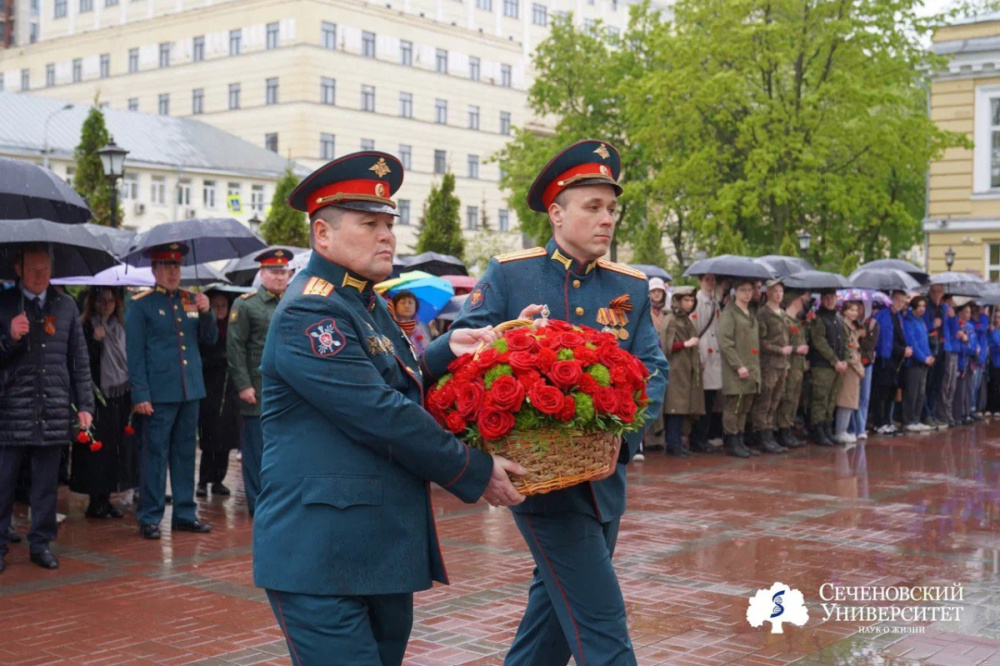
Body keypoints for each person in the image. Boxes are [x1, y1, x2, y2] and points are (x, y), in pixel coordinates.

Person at [253, 151, 526, 665]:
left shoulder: (365, 301)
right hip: (321, 555)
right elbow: (377, 411)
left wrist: (448, 350)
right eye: (369, 223)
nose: (386, 236)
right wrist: (474, 469)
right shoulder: (311, 309)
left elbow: (396, 381)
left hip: (377, 547)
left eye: (388, 224)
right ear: (322, 235)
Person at [423, 139, 668, 666]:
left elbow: (654, 369)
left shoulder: (631, 286)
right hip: (541, 481)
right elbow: (462, 355)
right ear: (557, 214)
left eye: (612, 209)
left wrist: (618, 436)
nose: (607, 220)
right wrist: (510, 338)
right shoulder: (512, 274)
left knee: (553, 619)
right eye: (593, 207)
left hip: (606, 477)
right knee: (601, 620)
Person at [0, 244, 94, 572]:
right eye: (32, 270)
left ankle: (40, 543)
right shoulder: (5, 304)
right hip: (11, 408)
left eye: (45, 269)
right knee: (4, 481)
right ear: (18, 269)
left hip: (52, 407)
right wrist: (9, 337)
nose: (40, 276)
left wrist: (84, 405)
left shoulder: (65, 305)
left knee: (45, 485)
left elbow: (79, 361)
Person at [126, 243, 218, 540]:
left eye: (176, 266)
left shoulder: (191, 300)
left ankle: (185, 513)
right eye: (166, 266)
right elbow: (135, 353)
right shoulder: (141, 304)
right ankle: (150, 516)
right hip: (158, 393)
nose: (172, 272)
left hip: (189, 390)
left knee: (184, 454)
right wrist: (140, 393)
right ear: (154, 270)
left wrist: (207, 314)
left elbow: (210, 340)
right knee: (154, 456)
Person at [227, 247, 292, 517]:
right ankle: (258, 503)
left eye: (284, 272)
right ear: (262, 274)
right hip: (257, 389)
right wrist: (243, 385)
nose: (279, 278)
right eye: (274, 272)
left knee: (283, 449)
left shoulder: (293, 301)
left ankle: (279, 500)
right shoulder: (246, 304)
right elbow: (235, 347)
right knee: (255, 451)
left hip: (287, 390)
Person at [71, 287, 137, 519]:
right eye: (102, 300)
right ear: (93, 302)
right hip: (95, 399)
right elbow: (80, 362)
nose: (107, 304)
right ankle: (94, 501)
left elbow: (126, 361)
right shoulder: (85, 326)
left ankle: (107, 499)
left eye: (111, 300)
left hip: (118, 397)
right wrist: (95, 341)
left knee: (113, 451)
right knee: (94, 452)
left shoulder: (119, 328)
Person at [196, 289, 240, 498]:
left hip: (228, 388)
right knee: (211, 435)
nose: (220, 310)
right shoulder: (205, 327)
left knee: (226, 436)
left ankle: (219, 480)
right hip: (209, 388)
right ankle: (204, 480)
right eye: (216, 306)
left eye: (223, 305)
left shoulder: (233, 327)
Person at [718, 278, 760, 459]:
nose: (747, 294)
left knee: (745, 406)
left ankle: (740, 438)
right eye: (743, 290)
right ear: (735, 292)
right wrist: (738, 365)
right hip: (737, 369)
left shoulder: (750, 313)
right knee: (733, 406)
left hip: (751, 367)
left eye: (749, 290)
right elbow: (725, 342)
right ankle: (732, 439)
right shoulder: (730, 313)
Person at [660, 286, 703, 457]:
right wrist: (686, 343)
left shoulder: (686, 319)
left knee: (681, 409)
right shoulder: (671, 320)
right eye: (686, 300)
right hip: (675, 370)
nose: (689, 303)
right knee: (674, 409)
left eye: (692, 300)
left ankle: (677, 443)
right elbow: (665, 346)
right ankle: (673, 444)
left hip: (685, 369)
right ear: (678, 301)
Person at [750, 279, 791, 454]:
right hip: (768, 364)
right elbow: (761, 341)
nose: (779, 294)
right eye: (775, 291)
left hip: (782, 364)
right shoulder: (763, 314)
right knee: (765, 400)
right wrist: (779, 350)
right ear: (768, 293)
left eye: (781, 291)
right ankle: (762, 435)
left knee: (776, 400)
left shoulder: (782, 313)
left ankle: (770, 432)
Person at [807, 290, 847, 446]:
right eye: (826, 298)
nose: (830, 301)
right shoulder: (818, 318)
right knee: (820, 399)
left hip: (838, 367)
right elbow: (819, 342)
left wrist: (845, 360)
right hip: (823, 366)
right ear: (822, 300)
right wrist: (834, 360)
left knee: (832, 399)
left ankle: (827, 429)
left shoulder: (838, 318)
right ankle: (818, 430)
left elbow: (845, 341)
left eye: (832, 298)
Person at [690, 273, 724, 453]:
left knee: (710, 400)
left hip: (715, 356)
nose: (711, 283)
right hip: (705, 354)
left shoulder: (714, 302)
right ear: (700, 281)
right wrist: (700, 358)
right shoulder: (698, 302)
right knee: (702, 400)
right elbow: (695, 331)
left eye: (713, 280)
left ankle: (705, 437)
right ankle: (698, 439)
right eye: (707, 280)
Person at [871, 290, 909, 436]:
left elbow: (900, 336)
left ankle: (887, 421)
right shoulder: (882, 315)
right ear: (892, 299)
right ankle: (878, 422)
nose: (901, 304)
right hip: (884, 358)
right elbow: (883, 339)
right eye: (899, 300)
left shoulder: (898, 316)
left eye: (903, 301)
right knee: (881, 392)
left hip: (896, 360)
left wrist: (905, 349)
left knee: (891, 392)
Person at [641, 277, 670, 458]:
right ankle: (647, 441)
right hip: (650, 359)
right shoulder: (644, 312)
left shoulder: (668, 313)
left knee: (665, 402)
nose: (656, 294)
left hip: (667, 359)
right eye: (653, 291)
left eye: (659, 291)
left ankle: (660, 439)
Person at [776, 289, 809, 449]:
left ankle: (788, 428)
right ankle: (783, 430)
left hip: (798, 366)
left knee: (794, 398)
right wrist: (797, 350)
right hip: (789, 364)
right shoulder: (785, 320)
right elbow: (784, 344)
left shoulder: (796, 321)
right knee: (787, 398)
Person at [833, 301, 865, 444]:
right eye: (851, 310)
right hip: (850, 368)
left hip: (854, 368)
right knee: (846, 400)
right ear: (844, 311)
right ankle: (840, 431)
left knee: (850, 400)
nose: (854, 313)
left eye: (856, 310)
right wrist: (859, 368)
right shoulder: (843, 326)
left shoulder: (851, 328)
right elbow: (849, 350)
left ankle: (843, 430)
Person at [901, 296, 935, 433]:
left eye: (924, 306)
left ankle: (915, 419)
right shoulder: (909, 321)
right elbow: (912, 342)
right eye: (919, 306)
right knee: (912, 392)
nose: (922, 308)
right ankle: (908, 420)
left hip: (925, 362)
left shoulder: (921, 321)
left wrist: (930, 356)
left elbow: (924, 341)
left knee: (921, 393)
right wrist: (923, 358)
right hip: (914, 362)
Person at [851, 301, 879, 440]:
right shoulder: (851, 322)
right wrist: (857, 334)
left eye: (861, 307)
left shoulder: (872, 323)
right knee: (852, 396)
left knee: (864, 396)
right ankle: (851, 427)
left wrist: (863, 336)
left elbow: (871, 345)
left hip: (866, 363)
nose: (859, 310)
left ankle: (860, 428)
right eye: (856, 308)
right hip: (853, 363)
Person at [924, 283, 947, 427]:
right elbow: (925, 326)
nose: (936, 294)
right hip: (931, 349)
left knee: (937, 384)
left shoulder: (943, 308)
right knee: (928, 383)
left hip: (942, 349)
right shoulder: (926, 307)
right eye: (934, 291)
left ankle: (932, 413)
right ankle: (926, 414)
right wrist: (933, 325)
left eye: (939, 291)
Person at [936, 294, 961, 427]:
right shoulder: (941, 309)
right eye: (950, 300)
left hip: (952, 349)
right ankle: (943, 414)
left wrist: (952, 318)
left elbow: (956, 330)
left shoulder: (950, 313)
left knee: (951, 385)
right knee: (946, 384)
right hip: (945, 349)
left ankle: (948, 413)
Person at [390, 290, 432, 356]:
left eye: (410, 303)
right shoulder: (391, 324)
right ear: (395, 306)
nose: (407, 306)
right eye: (402, 303)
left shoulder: (422, 326)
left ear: (416, 306)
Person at [987, 308, 1000, 415]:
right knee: (991, 384)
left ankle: (997, 408)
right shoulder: (990, 330)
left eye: (998, 317)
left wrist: (993, 333)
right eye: (995, 317)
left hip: (998, 361)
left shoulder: (995, 332)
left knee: (997, 385)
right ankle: (990, 407)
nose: (996, 319)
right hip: (990, 360)